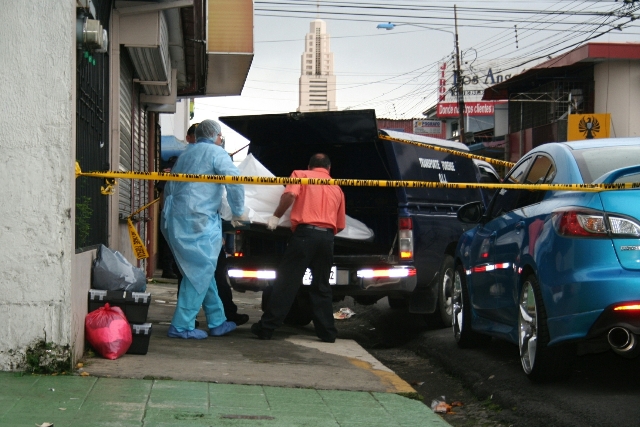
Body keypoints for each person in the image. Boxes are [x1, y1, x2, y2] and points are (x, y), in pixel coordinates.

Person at [161, 119, 248, 339]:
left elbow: (171, 189)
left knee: (202, 271)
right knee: (198, 272)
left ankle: (217, 320)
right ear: (215, 135)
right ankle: (181, 325)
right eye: (220, 136)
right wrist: (238, 211)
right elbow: (235, 181)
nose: (220, 139)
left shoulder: (185, 155)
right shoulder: (216, 153)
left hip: (176, 220)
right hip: (198, 222)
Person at [251, 153, 346, 343]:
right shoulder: (337, 187)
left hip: (304, 236)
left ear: (309, 166)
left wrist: (276, 216)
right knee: (321, 286)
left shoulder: (300, 175)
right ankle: (327, 333)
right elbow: (340, 224)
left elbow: (290, 194)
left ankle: (266, 328)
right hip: (327, 238)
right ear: (329, 169)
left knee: (287, 283)